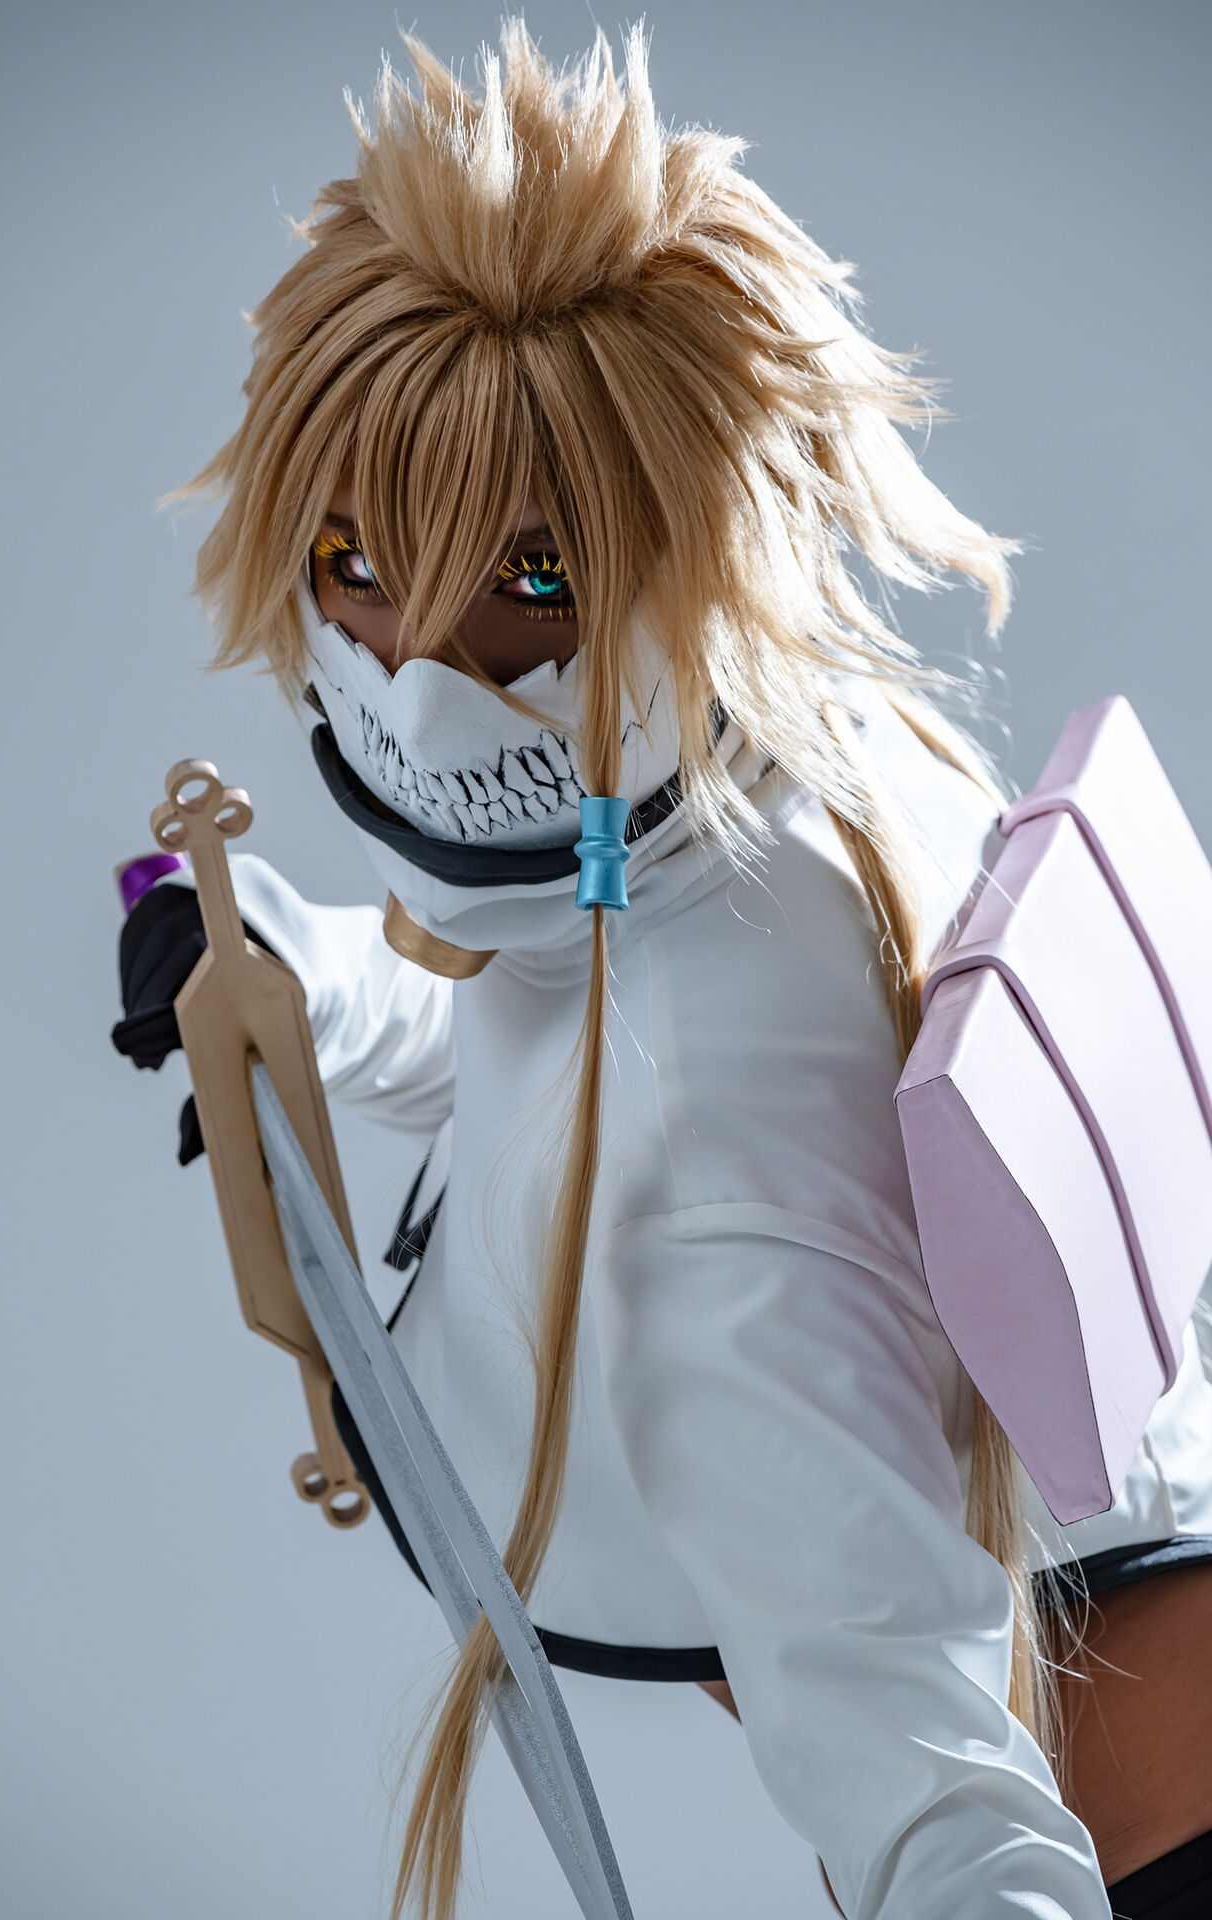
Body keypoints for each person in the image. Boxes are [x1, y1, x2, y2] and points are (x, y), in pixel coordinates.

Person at [113, 24, 1212, 1919]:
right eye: (357, 557)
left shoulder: (708, 1232)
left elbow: (941, 1807)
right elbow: (535, 1012)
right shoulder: (792, 758)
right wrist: (283, 961)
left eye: (532, 583)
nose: (414, 668)